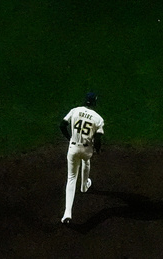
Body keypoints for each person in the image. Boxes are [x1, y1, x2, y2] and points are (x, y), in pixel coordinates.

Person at [60, 91, 104, 224]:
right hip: (86, 149)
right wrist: (97, 150)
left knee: (71, 178)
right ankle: (84, 185)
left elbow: (62, 125)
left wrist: (70, 138)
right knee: (86, 160)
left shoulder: (75, 110)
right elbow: (98, 139)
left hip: (73, 148)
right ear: (95, 102)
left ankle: (67, 213)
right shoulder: (98, 118)